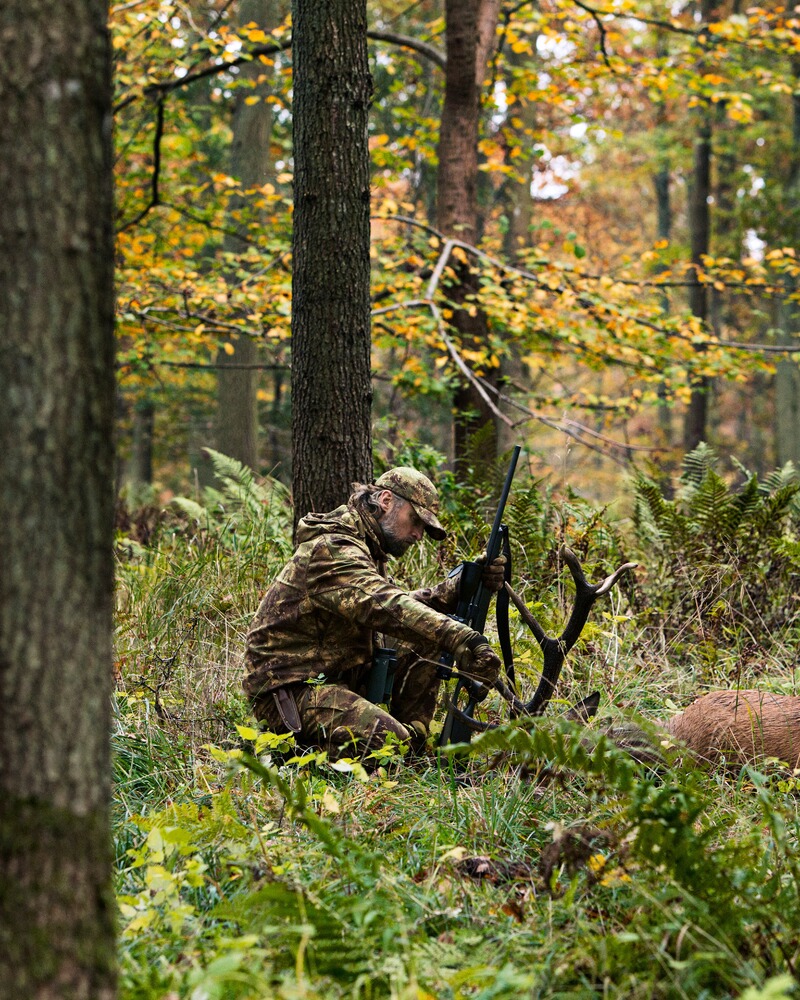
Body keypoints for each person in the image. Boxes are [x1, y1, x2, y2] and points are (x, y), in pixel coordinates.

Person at [243, 467, 505, 759]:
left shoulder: (366, 546)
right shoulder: (333, 548)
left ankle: (414, 744)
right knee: (391, 744)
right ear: (385, 500)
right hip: (292, 691)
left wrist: (457, 587)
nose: (418, 534)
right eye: (415, 521)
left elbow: (398, 607)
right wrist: (462, 638)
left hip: (335, 679)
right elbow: (384, 604)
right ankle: (299, 756)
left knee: (424, 636)